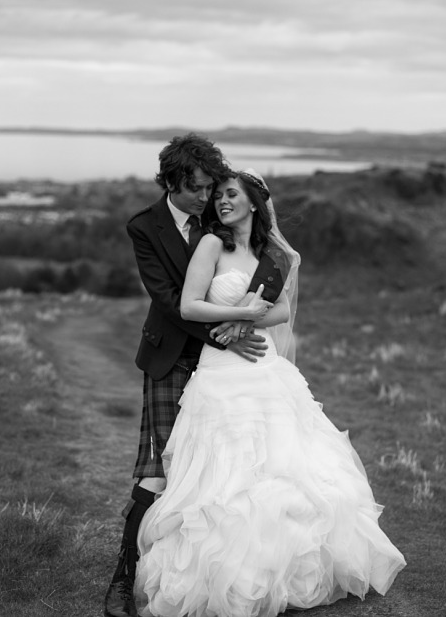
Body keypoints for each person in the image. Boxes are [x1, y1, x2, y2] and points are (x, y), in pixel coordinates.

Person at [134, 169, 406, 617]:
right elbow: (188, 305)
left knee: (281, 465)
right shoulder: (211, 244)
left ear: (254, 203)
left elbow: (279, 312)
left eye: (230, 194)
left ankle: (282, 569)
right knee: (225, 470)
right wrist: (238, 314)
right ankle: (224, 573)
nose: (221, 201)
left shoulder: (273, 255)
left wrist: (246, 318)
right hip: (221, 370)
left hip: (264, 367)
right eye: (218, 196)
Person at [104, 135, 289, 617]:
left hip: (223, 368)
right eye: (197, 189)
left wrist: (237, 331)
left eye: (212, 187)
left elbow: (258, 272)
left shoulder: (218, 217)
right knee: (159, 469)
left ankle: (208, 573)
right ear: (171, 183)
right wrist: (227, 337)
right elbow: (170, 299)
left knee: (220, 471)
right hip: (172, 357)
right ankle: (123, 578)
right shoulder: (145, 226)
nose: (207, 197)